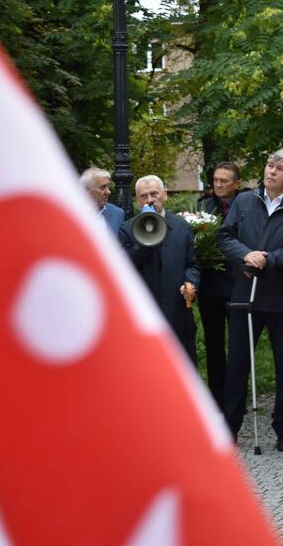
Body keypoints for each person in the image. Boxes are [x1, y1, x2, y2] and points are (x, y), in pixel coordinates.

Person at [219, 149, 283, 452]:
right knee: (236, 365)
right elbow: (225, 236)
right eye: (269, 165)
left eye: (280, 168)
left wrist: (270, 259)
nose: (271, 171)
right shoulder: (245, 200)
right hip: (245, 294)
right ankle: (230, 427)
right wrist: (245, 255)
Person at [120, 175, 200, 363]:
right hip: (144, 310)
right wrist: (145, 239)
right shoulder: (127, 229)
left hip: (177, 308)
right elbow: (124, 267)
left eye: (154, 194)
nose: (149, 200)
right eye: (144, 196)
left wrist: (191, 282)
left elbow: (192, 263)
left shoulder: (180, 226)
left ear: (164, 195)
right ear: (138, 200)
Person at [196, 162, 242, 408]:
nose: (219, 184)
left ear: (237, 183)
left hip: (236, 284)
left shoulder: (246, 205)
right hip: (211, 286)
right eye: (216, 180)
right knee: (214, 343)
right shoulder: (203, 206)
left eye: (225, 180)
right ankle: (217, 395)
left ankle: (237, 395)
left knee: (238, 345)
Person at [80, 167, 125, 236]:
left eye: (108, 187)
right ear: (87, 190)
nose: (108, 192)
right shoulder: (71, 214)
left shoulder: (117, 213)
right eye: (102, 187)